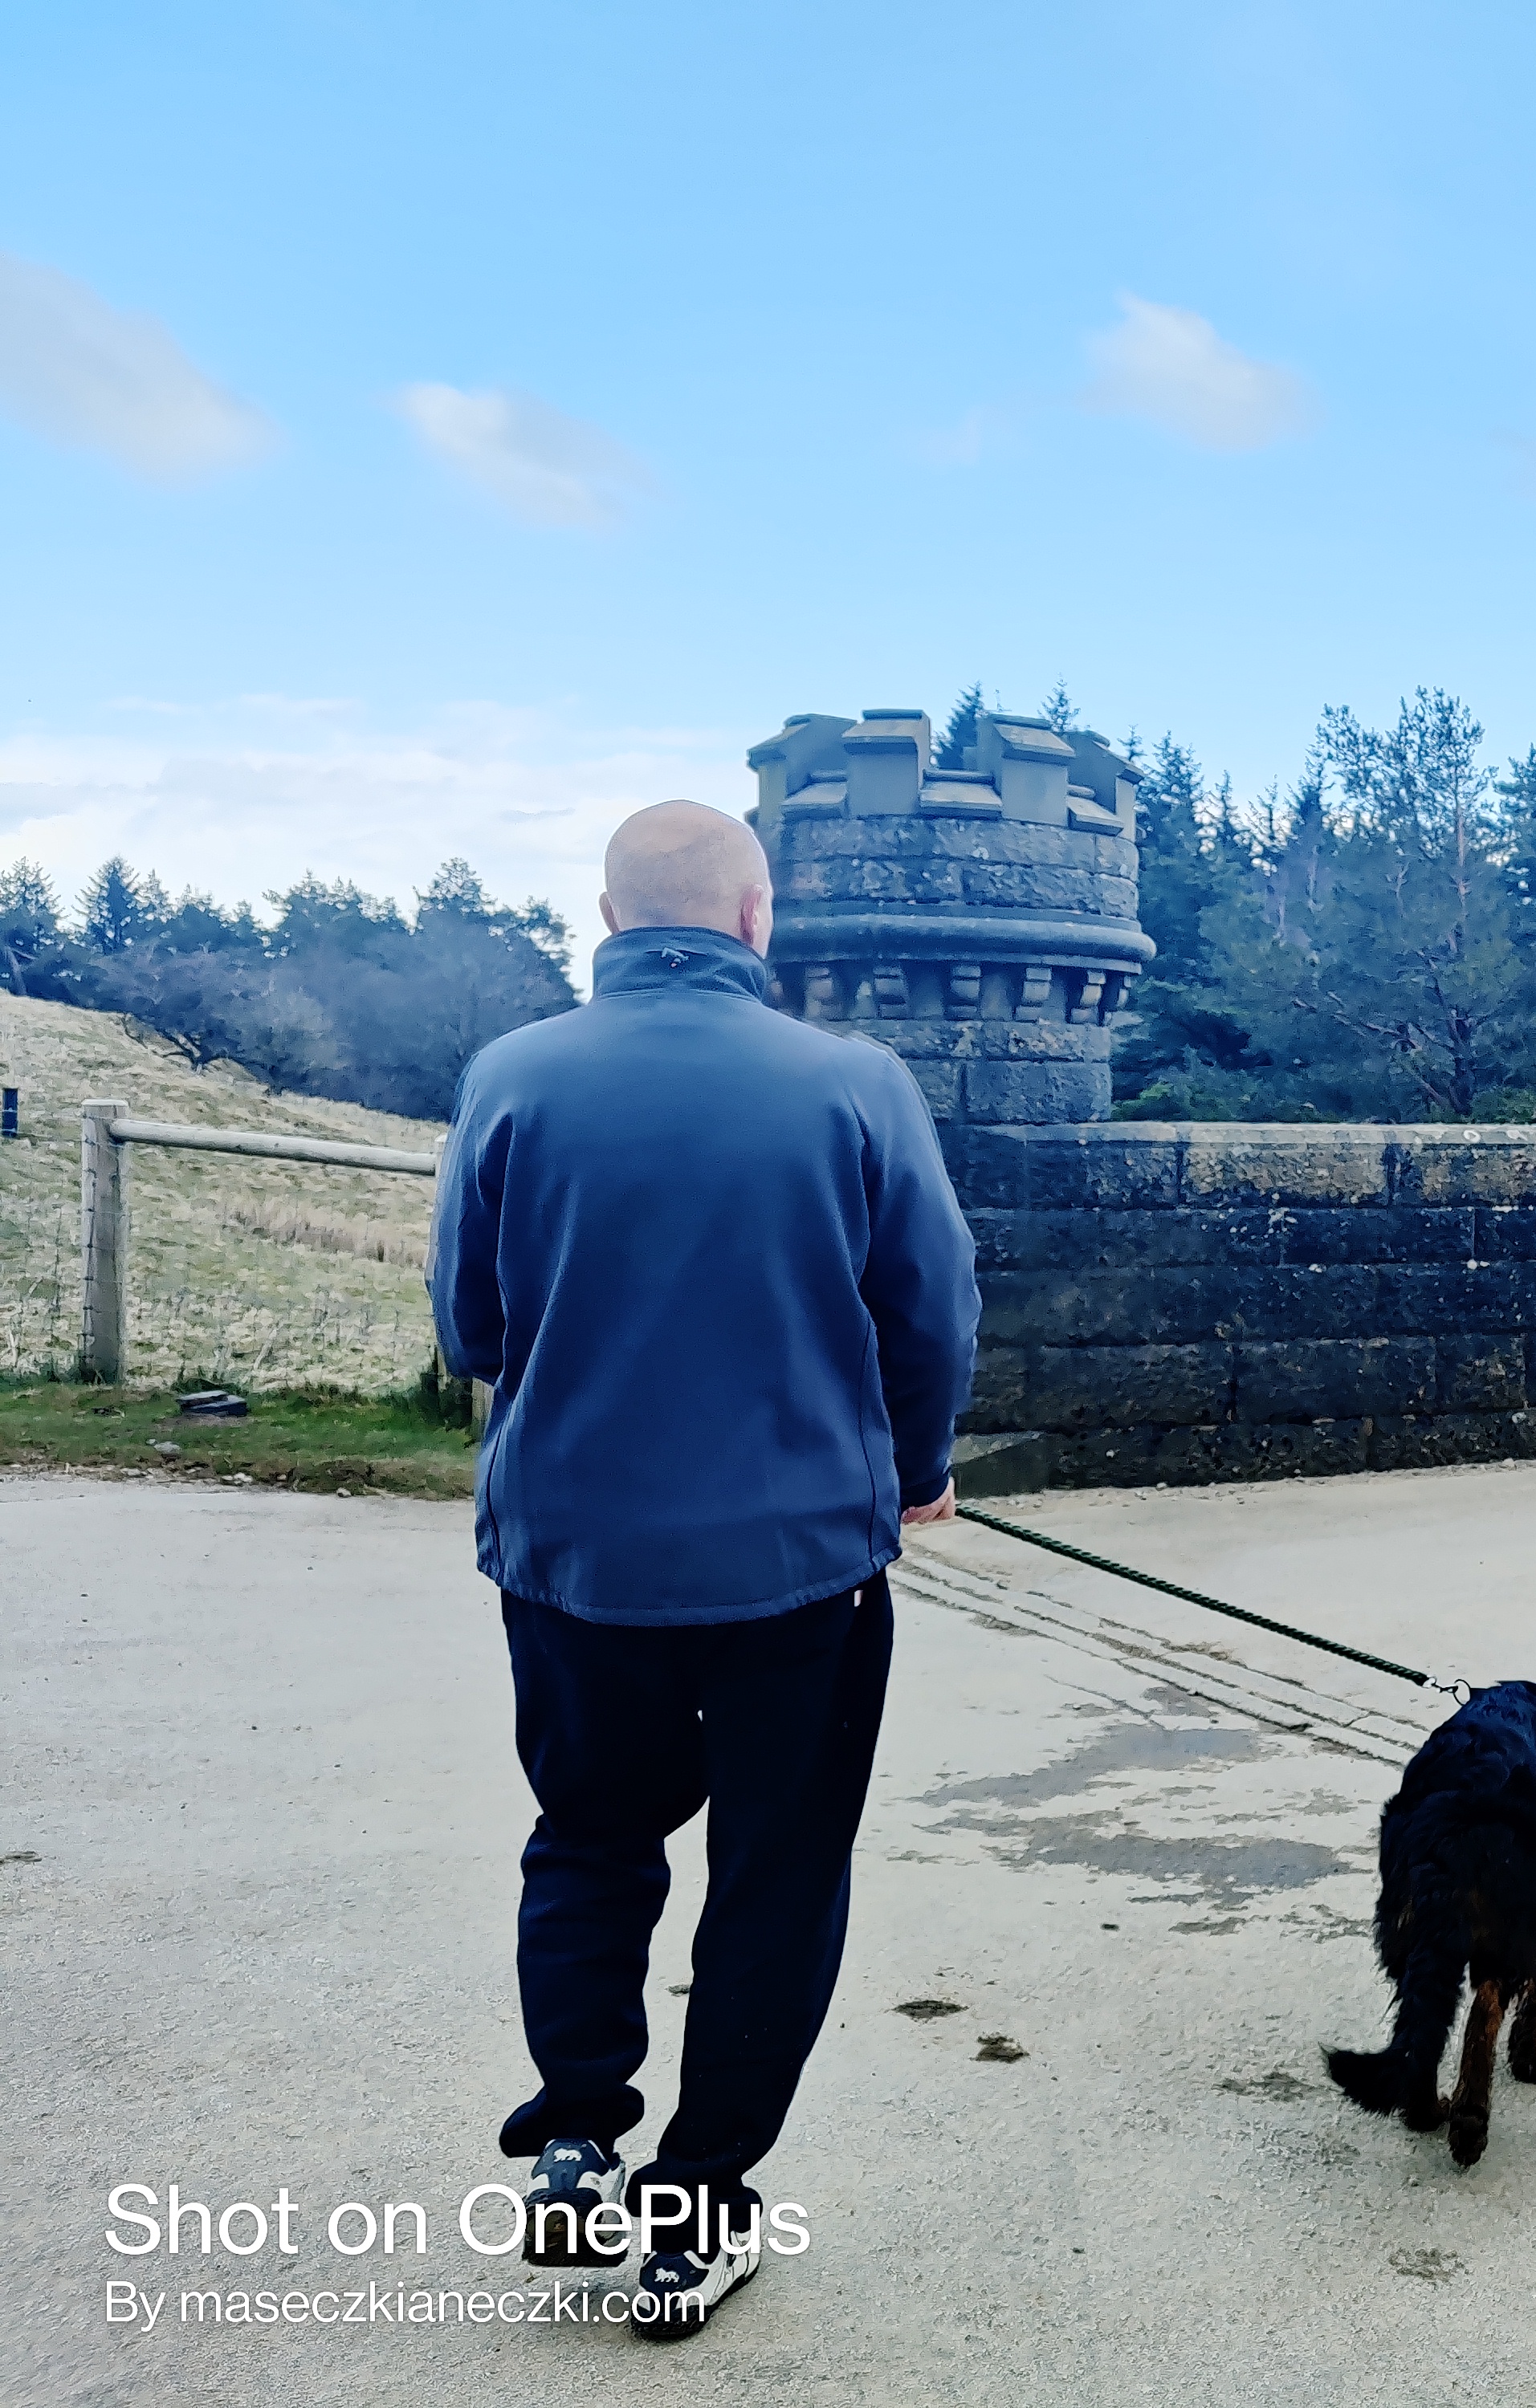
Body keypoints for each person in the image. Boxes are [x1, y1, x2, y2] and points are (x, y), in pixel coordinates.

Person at [430, 799, 976, 2340]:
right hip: (800, 1570)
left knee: (590, 1835)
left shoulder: (510, 1076)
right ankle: (699, 2209)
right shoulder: (855, 1085)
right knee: (776, 1876)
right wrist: (918, 1468)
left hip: (572, 1558)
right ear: (754, 918)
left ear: (610, 920)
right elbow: (933, 1310)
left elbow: (469, 1326)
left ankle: (576, 2137)